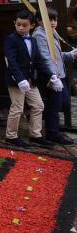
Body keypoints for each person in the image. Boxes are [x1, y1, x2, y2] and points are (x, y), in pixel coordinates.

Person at [4, 9, 54, 148]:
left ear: (31, 26)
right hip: (16, 81)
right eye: (18, 24)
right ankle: (11, 136)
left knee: (39, 105)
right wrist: (20, 79)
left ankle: (35, 135)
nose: (20, 27)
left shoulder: (32, 40)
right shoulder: (11, 39)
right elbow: (11, 61)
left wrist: (52, 75)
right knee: (17, 108)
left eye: (24, 25)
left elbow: (38, 60)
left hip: (31, 79)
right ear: (14, 23)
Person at [33, 9, 74, 145]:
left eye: (54, 19)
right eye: (49, 19)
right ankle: (52, 133)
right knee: (55, 105)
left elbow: (56, 55)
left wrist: (71, 55)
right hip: (51, 75)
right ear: (39, 21)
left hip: (58, 73)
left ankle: (43, 121)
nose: (53, 22)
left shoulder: (51, 32)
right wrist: (53, 76)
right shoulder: (39, 35)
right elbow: (45, 57)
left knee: (63, 103)